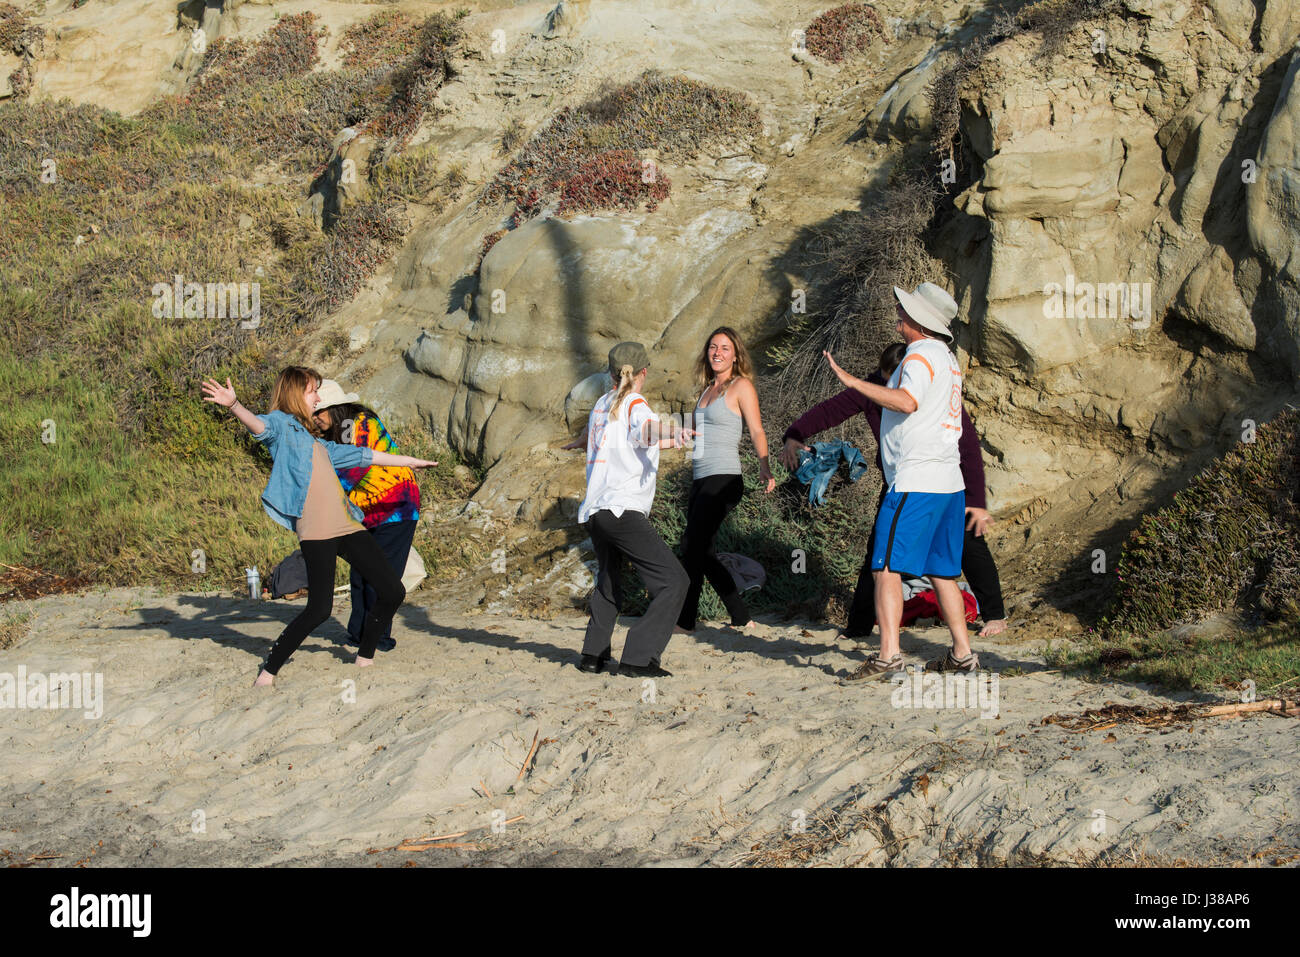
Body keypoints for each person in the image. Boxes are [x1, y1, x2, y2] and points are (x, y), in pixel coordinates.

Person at [200, 367, 437, 686]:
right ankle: (269, 671)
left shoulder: (318, 442)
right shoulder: (283, 426)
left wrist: (409, 461)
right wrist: (234, 406)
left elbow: (363, 455)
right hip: (317, 532)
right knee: (320, 609)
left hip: (348, 524)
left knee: (391, 589)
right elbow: (261, 427)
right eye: (313, 391)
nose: (317, 397)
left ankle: (365, 656)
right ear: (296, 394)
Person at [781, 343, 1007, 639]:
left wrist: (976, 500)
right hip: (900, 482)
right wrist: (794, 435)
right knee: (879, 552)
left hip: (944, 480)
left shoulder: (932, 386)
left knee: (969, 545)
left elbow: (968, 447)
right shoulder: (875, 386)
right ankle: (859, 626)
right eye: (888, 379)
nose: (891, 387)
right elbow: (831, 410)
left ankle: (995, 615)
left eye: (897, 380)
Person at [818, 283, 978, 677]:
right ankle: (961, 654)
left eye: (905, 310)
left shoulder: (919, 355)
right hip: (948, 483)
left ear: (919, 321)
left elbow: (907, 402)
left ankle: (888, 655)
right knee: (942, 572)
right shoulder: (947, 358)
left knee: (885, 569)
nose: (898, 312)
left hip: (915, 481)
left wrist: (855, 382)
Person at [563, 342, 694, 677]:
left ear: (610, 374)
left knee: (609, 581)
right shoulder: (636, 403)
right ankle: (638, 658)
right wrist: (671, 428)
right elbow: (646, 429)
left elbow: (627, 439)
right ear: (643, 373)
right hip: (622, 511)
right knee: (674, 581)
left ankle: (593, 655)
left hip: (595, 512)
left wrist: (675, 438)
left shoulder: (602, 405)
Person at [675, 327, 775, 636]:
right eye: (713, 347)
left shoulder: (740, 386)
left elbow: (756, 430)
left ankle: (686, 621)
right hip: (701, 478)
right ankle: (741, 617)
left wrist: (765, 467)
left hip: (725, 477)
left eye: (725, 348)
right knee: (700, 550)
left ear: (735, 355)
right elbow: (696, 437)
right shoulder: (705, 391)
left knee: (693, 547)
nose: (718, 352)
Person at [313, 381, 421, 654]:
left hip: (395, 508)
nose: (315, 419)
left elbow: (351, 470)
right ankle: (358, 634)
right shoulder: (341, 431)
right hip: (367, 512)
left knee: (380, 578)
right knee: (360, 575)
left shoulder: (358, 423)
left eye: (319, 413)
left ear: (335, 408)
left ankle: (378, 639)